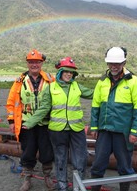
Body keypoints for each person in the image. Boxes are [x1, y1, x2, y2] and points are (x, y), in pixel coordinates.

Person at [23, 56, 93, 191]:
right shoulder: (51, 88)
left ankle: (79, 186)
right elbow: (44, 108)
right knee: (60, 158)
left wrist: (108, 90)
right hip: (57, 131)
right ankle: (62, 185)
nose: (69, 74)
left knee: (80, 159)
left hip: (76, 129)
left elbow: (94, 94)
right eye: (66, 71)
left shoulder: (77, 86)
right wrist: (30, 122)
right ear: (60, 72)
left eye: (71, 72)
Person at [90, 47, 137, 191]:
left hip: (123, 133)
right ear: (107, 64)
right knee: (98, 165)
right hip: (105, 131)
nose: (114, 66)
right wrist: (94, 127)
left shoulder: (133, 81)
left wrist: (135, 131)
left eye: (117, 63)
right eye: (111, 63)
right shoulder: (102, 81)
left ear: (124, 62)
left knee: (125, 167)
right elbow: (95, 106)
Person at [6, 49, 56, 191]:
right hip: (26, 123)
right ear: (27, 63)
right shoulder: (19, 81)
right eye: (31, 62)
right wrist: (11, 121)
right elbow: (11, 103)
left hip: (46, 123)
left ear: (42, 63)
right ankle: (27, 178)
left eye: (37, 62)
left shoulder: (50, 79)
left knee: (47, 151)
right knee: (28, 151)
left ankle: (47, 176)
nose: (34, 65)